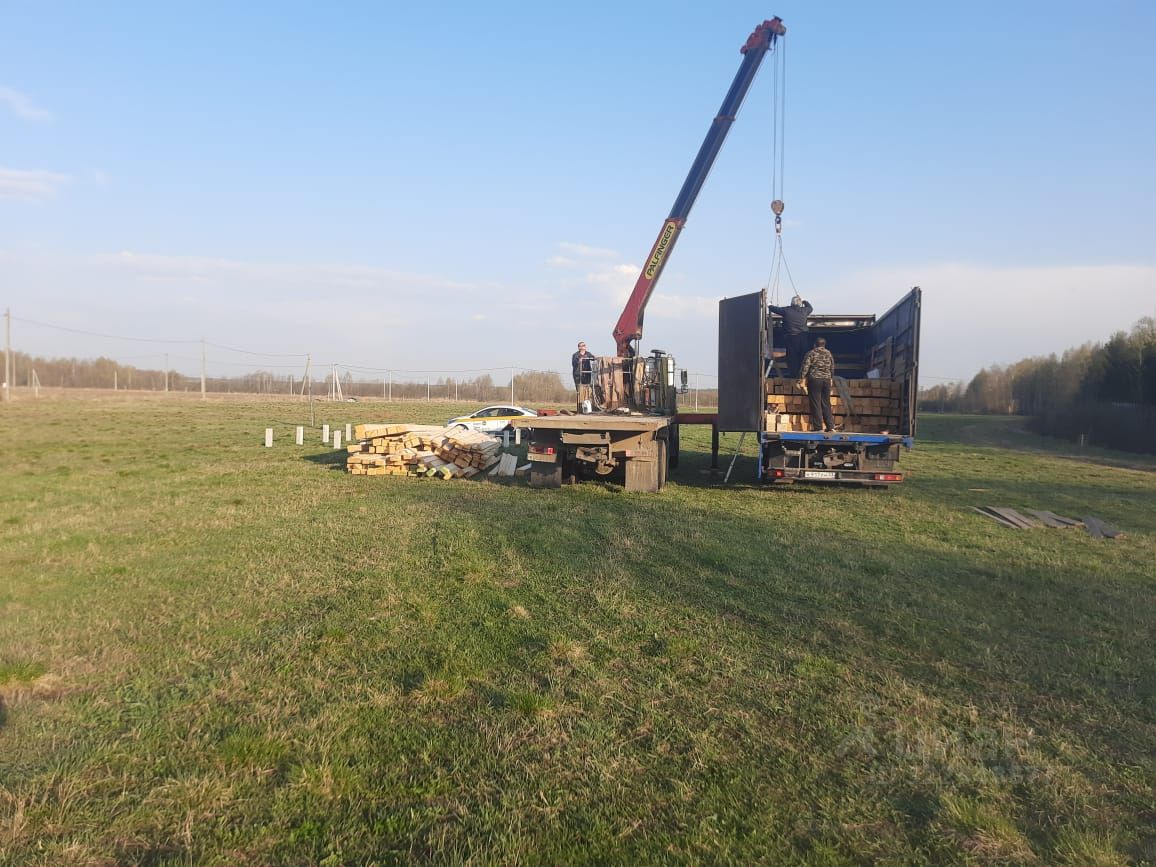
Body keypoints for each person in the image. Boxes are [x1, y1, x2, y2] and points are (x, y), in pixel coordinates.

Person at [768, 295, 814, 378]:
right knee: (804, 357)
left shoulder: (787, 310)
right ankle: (804, 375)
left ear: (791, 303)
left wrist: (770, 305)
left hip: (792, 338)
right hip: (803, 338)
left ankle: (794, 376)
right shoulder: (804, 310)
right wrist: (804, 301)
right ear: (800, 303)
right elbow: (810, 308)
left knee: (792, 358)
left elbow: (776, 309)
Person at [798, 336, 837, 432]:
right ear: (824, 345)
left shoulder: (811, 353)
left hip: (815, 380)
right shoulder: (829, 353)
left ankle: (818, 427)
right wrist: (831, 378)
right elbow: (832, 367)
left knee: (816, 403)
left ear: (814, 345)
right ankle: (830, 426)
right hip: (826, 380)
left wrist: (801, 378)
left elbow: (805, 367)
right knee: (826, 403)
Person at [571, 341, 594, 410]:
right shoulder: (575, 355)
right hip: (578, 374)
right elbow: (573, 364)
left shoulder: (588, 354)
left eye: (584, 345)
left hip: (587, 374)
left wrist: (593, 357)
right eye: (582, 345)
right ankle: (580, 408)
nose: (583, 347)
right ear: (579, 347)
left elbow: (593, 358)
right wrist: (579, 361)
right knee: (579, 390)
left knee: (587, 389)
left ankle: (587, 407)